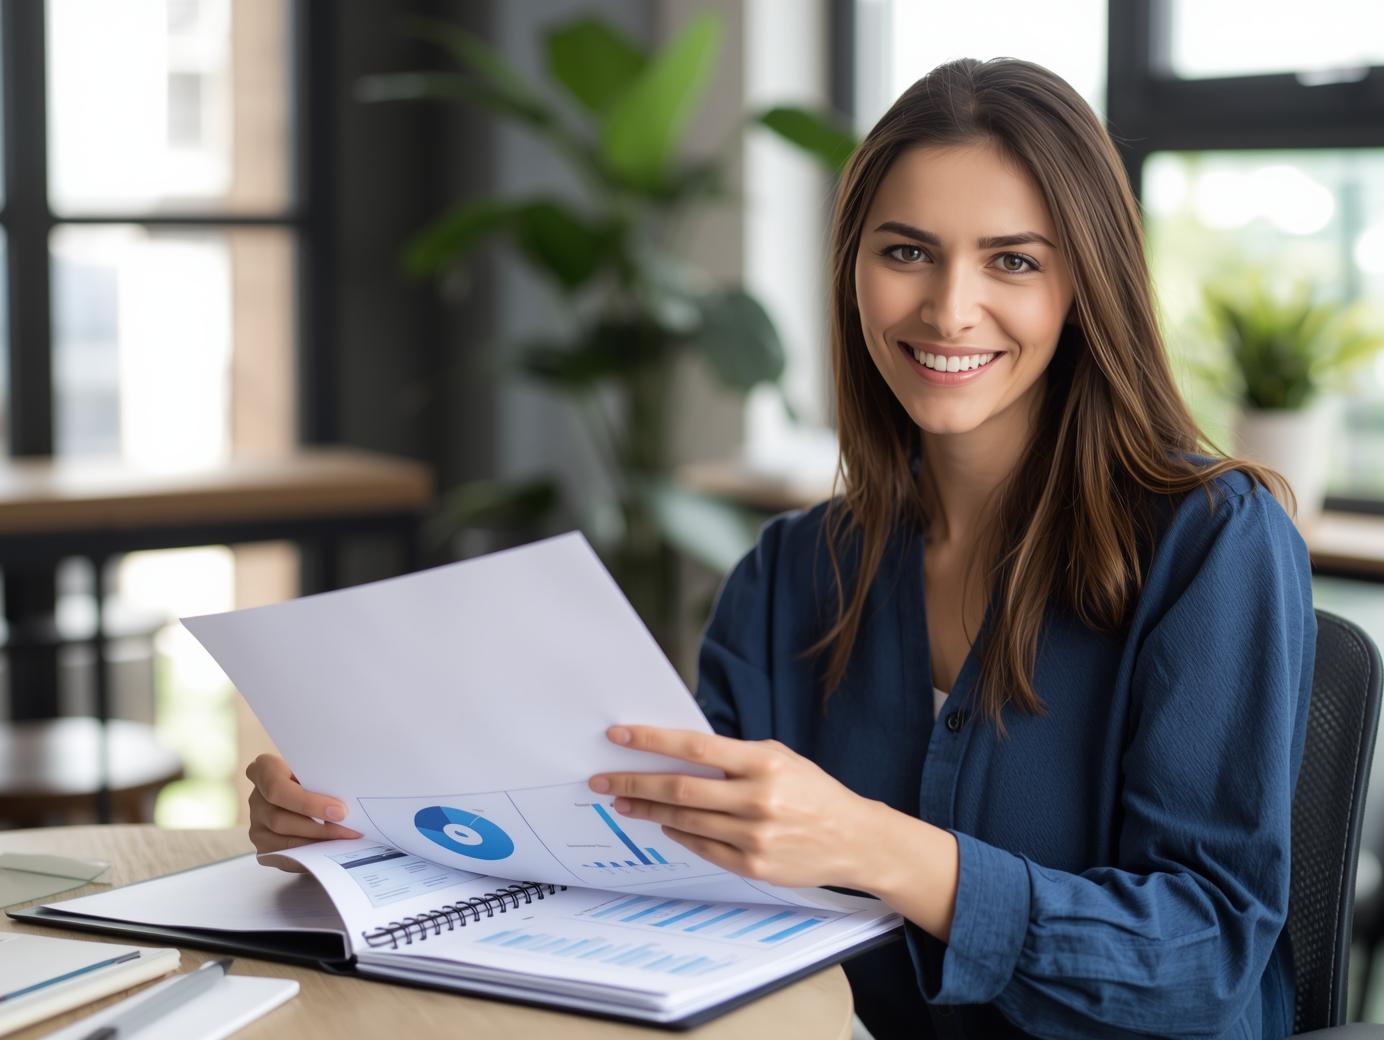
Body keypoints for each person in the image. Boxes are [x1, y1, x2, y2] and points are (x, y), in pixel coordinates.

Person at [245, 58, 1315, 1038]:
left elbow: (1208, 957)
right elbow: (664, 871)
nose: (950, 307)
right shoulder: (789, 575)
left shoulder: (1212, 542)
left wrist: (873, 846)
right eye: (906, 252)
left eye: (1012, 260)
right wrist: (385, 831)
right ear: (852, 271)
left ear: (1085, 285)